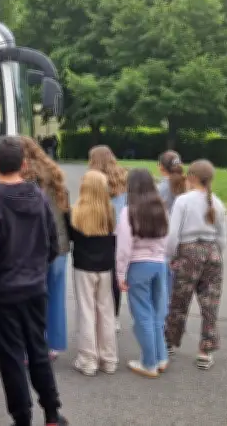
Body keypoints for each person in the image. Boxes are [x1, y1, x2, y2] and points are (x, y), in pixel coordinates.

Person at [0, 136, 68, 426]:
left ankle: (22, 417)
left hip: (2, 290)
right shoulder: (39, 196)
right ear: (24, 164)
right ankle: (52, 413)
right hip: (34, 286)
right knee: (37, 349)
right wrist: (37, 269)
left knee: (11, 356)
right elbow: (53, 244)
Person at [165, 160, 227, 370]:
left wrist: (171, 255)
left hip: (189, 251)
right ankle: (205, 350)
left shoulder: (183, 201)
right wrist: (216, 254)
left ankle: (170, 341)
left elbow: (173, 234)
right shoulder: (217, 203)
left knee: (179, 300)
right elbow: (222, 237)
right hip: (212, 251)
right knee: (210, 303)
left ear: (190, 177)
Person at [115, 168, 169, 378]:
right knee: (157, 313)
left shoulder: (128, 211)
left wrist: (120, 275)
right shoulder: (161, 209)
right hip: (159, 263)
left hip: (139, 265)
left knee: (142, 315)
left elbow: (124, 248)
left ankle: (149, 363)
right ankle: (160, 356)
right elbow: (168, 238)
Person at [21, 136, 70, 359]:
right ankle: (54, 344)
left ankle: (34, 343)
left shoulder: (26, 178)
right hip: (60, 244)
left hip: (37, 247)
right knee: (56, 295)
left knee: (32, 299)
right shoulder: (54, 173)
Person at [65, 170, 118, 376]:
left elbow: (71, 237)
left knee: (86, 311)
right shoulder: (110, 210)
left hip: (83, 265)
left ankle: (88, 359)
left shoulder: (75, 212)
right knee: (105, 311)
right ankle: (109, 358)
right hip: (105, 266)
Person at [89, 145, 128, 330]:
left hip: (99, 229)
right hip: (119, 231)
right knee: (114, 275)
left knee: (97, 275)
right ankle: (115, 316)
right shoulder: (123, 177)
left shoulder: (94, 179)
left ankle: (99, 313)